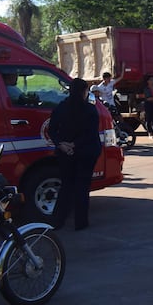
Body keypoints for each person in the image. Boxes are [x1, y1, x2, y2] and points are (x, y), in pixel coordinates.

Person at [47, 78, 101, 231]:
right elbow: (91, 133)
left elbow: (51, 130)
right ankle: (80, 222)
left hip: (65, 153)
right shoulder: (90, 109)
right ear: (84, 92)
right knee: (82, 187)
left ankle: (58, 220)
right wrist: (75, 145)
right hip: (86, 152)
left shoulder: (61, 107)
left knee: (66, 186)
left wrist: (62, 144)